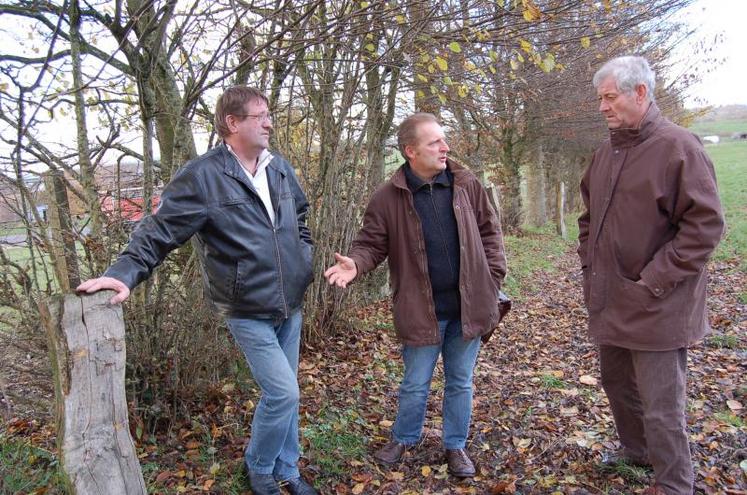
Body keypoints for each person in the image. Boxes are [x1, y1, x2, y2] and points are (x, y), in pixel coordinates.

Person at [77, 86, 318, 495]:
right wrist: (124, 272)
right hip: (246, 306)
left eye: (268, 115)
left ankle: (288, 469)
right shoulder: (203, 176)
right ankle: (260, 469)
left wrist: (304, 258)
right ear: (232, 122)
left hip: (289, 302)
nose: (269, 123)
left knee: (287, 395)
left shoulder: (279, 168)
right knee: (284, 393)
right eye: (260, 116)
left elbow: (300, 217)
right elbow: (159, 230)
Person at [324, 113, 507, 478]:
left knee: (460, 381)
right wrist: (355, 266)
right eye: (434, 142)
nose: (445, 147)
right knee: (415, 382)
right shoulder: (387, 198)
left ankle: (455, 446)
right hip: (420, 308)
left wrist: (493, 275)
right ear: (410, 151)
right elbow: (371, 245)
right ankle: (404, 437)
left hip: (468, 308)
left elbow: (490, 231)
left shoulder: (465, 183)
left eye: (444, 140)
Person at [578, 56, 724, 495]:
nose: (602, 107)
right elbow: (588, 218)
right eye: (600, 98)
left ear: (640, 92)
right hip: (610, 298)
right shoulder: (605, 153)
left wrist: (653, 280)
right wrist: (591, 265)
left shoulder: (679, 147)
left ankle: (675, 483)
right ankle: (636, 450)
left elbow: (705, 227)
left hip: (660, 302)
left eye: (610, 97)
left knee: (662, 405)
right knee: (617, 383)